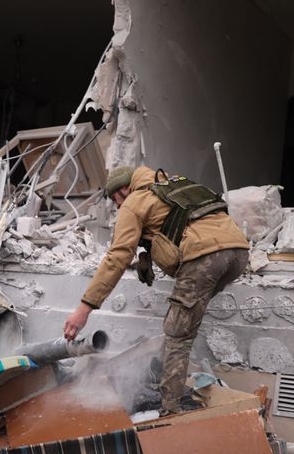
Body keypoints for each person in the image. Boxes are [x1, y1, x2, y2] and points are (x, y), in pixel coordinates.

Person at [64, 165, 249, 415]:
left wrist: (84, 308)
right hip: (238, 253)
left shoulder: (134, 202)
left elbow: (117, 257)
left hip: (205, 259)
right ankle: (158, 371)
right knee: (183, 318)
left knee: (177, 334)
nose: (118, 207)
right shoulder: (173, 185)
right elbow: (177, 224)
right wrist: (146, 256)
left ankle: (170, 409)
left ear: (123, 190)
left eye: (116, 200)